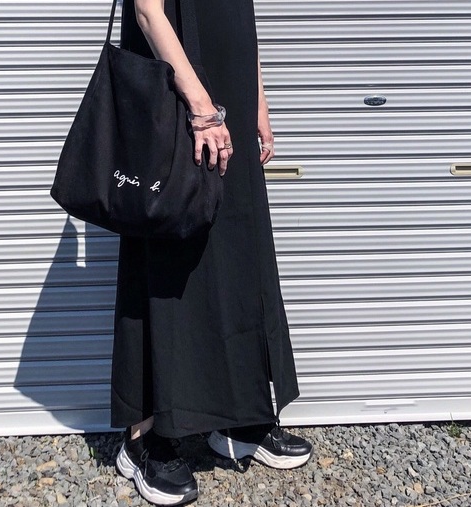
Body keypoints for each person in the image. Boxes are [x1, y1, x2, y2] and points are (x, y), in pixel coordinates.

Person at [111, 0, 313, 505]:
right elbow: (147, 12)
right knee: (168, 259)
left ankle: (240, 419)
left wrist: (257, 100)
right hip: (181, 96)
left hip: (228, 100)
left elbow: (241, 16)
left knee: (239, 254)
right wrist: (201, 108)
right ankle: (146, 438)